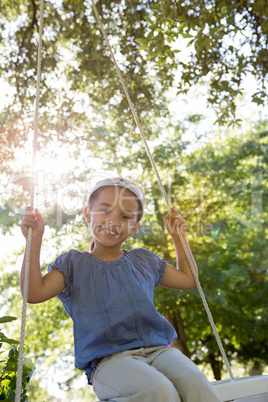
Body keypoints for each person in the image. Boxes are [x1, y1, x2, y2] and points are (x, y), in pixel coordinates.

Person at [20, 177, 221, 402]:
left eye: (125, 216)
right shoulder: (73, 264)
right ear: (88, 214)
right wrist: (34, 240)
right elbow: (33, 292)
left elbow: (188, 279)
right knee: (159, 390)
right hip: (110, 362)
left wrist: (179, 237)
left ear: (135, 227)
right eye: (105, 211)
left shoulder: (144, 260)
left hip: (159, 351)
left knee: (195, 381)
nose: (113, 221)